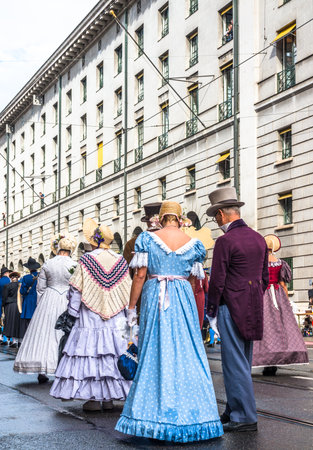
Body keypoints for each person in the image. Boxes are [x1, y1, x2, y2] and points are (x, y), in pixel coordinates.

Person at [116, 201, 223, 443]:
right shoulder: (195, 245)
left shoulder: (147, 240)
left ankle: (152, 416)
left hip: (156, 296)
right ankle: (195, 415)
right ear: (180, 218)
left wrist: (131, 308)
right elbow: (196, 282)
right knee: (187, 353)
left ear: (161, 219)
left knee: (155, 352)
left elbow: (140, 275)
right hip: (182, 298)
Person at [50, 218, 132, 412]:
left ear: (94, 240)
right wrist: (130, 314)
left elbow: (77, 289)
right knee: (112, 353)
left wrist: (72, 312)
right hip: (116, 315)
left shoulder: (86, 260)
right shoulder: (120, 260)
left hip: (89, 314)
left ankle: (94, 398)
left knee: (92, 354)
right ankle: (110, 398)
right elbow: (126, 290)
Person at [206, 187, 269, 433]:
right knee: (244, 359)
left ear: (221, 214)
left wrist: (211, 311)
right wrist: (251, 295)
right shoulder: (258, 238)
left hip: (230, 304)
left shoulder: (225, 241)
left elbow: (217, 280)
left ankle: (243, 416)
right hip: (253, 304)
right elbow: (263, 277)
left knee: (234, 363)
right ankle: (233, 409)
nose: (216, 221)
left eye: (215, 217)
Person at [14, 234, 78, 384]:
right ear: (71, 250)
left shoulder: (48, 264)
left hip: (49, 297)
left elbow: (40, 288)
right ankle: (65, 368)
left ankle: (42, 369)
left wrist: (41, 306)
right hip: (67, 298)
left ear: (58, 248)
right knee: (66, 333)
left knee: (45, 333)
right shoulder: (75, 264)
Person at [253, 235, 309, 375]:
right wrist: (287, 302)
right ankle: (278, 359)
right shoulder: (280, 263)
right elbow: (283, 284)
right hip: (278, 296)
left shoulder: (259, 263)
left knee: (266, 328)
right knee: (282, 326)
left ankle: (266, 360)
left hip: (264, 294)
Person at [123, 202, 162, 277]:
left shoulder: (132, 243)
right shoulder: (172, 240)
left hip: (143, 286)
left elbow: (128, 272)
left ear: (147, 222)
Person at [2, 272, 25, 348]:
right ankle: (20, 341)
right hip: (20, 305)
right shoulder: (21, 285)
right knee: (19, 323)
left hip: (10, 306)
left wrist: (3, 307)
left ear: (11, 278)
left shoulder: (7, 286)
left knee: (12, 323)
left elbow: (5, 298)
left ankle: (14, 341)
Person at [20, 257, 41, 334]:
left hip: (28, 302)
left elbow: (22, 291)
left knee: (28, 324)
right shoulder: (41, 276)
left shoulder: (26, 278)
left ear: (29, 268)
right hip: (38, 301)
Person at [0, 267, 11, 346]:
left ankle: (1, 336)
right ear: (6, 273)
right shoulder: (9, 281)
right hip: (8, 302)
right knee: (8, 319)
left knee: (1, 320)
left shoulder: (0, 281)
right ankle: (7, 338)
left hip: (0, 302)